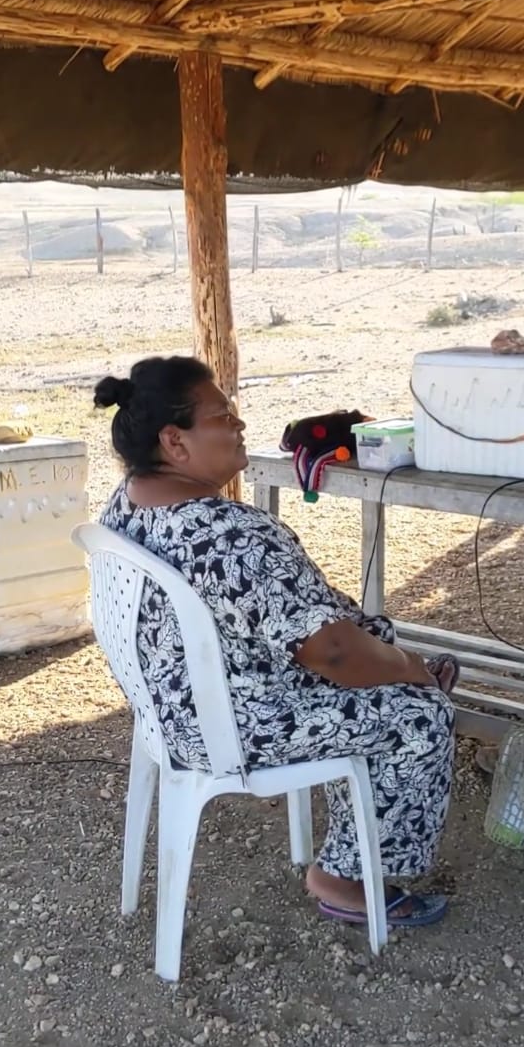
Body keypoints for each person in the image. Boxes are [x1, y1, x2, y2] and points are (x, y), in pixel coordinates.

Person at [96, 355, 456, 931]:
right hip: (235, 720)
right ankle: (344, 881)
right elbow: (331, 655)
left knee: (371, 640)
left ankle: (399, 679)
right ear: (175, 441)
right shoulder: (229, 534)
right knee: (420, 714)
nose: (238, 425)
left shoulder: (132, 498)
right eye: (222, 417)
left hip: (171, 705)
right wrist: (407, 668)